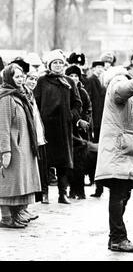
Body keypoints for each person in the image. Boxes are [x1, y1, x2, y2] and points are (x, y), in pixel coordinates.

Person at [94, 50, 133, 253]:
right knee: (119, 193)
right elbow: (121, 91)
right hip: (118, 148)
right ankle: (118, 238)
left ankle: (115, 237)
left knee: (123, 193)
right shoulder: (121, 80)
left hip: (127, 147)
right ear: (131, 64)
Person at [34, 50, 82, 205]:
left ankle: (63, 193)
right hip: (46, 127)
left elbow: (77, 103)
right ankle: (45, 193)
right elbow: (36, 102)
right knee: (45, 161)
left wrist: (71, 115)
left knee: (63, 163)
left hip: (63, 127)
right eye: (55, 62)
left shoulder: (69, 81)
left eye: (61, 62)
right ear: (49, 65)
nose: (58, 65)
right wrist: (39, 120)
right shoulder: (42, 81)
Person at [0, 64, 41, 228]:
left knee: (19, 183)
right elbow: (3, 126)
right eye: (16, 77)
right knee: (8, 184)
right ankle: (6, 217)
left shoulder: (20, 95)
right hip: (13, 146)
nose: (20, 79)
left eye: (21, 76)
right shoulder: (5, 98)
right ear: (9, 78)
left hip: (23, 146)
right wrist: (5, 151)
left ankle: (17, 214)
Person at [65, 65, 92, 200]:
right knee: (69, 164)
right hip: (67, 131)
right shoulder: (64, 90)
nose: (74, 78)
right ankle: (71, 189)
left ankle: (80, 190)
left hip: (80, 133)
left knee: (80, 163)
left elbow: (88, 109)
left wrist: (83, 120)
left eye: (76, 76)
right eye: (71, 76)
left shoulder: (83, 92)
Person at [25, 68, 49, 205]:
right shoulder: (25, 94)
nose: (33, 82)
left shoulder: (31, 94)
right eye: (30, 79)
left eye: (35, 79)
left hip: (38, 138)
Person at [83, 61, 106, 196]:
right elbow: (90, 102)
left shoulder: (100, 80)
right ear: (93, 68)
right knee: (95, 153)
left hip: (100, 121)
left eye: (101, 67)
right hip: (96, 122)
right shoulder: (92, 80)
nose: (99, 69)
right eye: (97, 67)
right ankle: (96, 183)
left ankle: (98, 185)